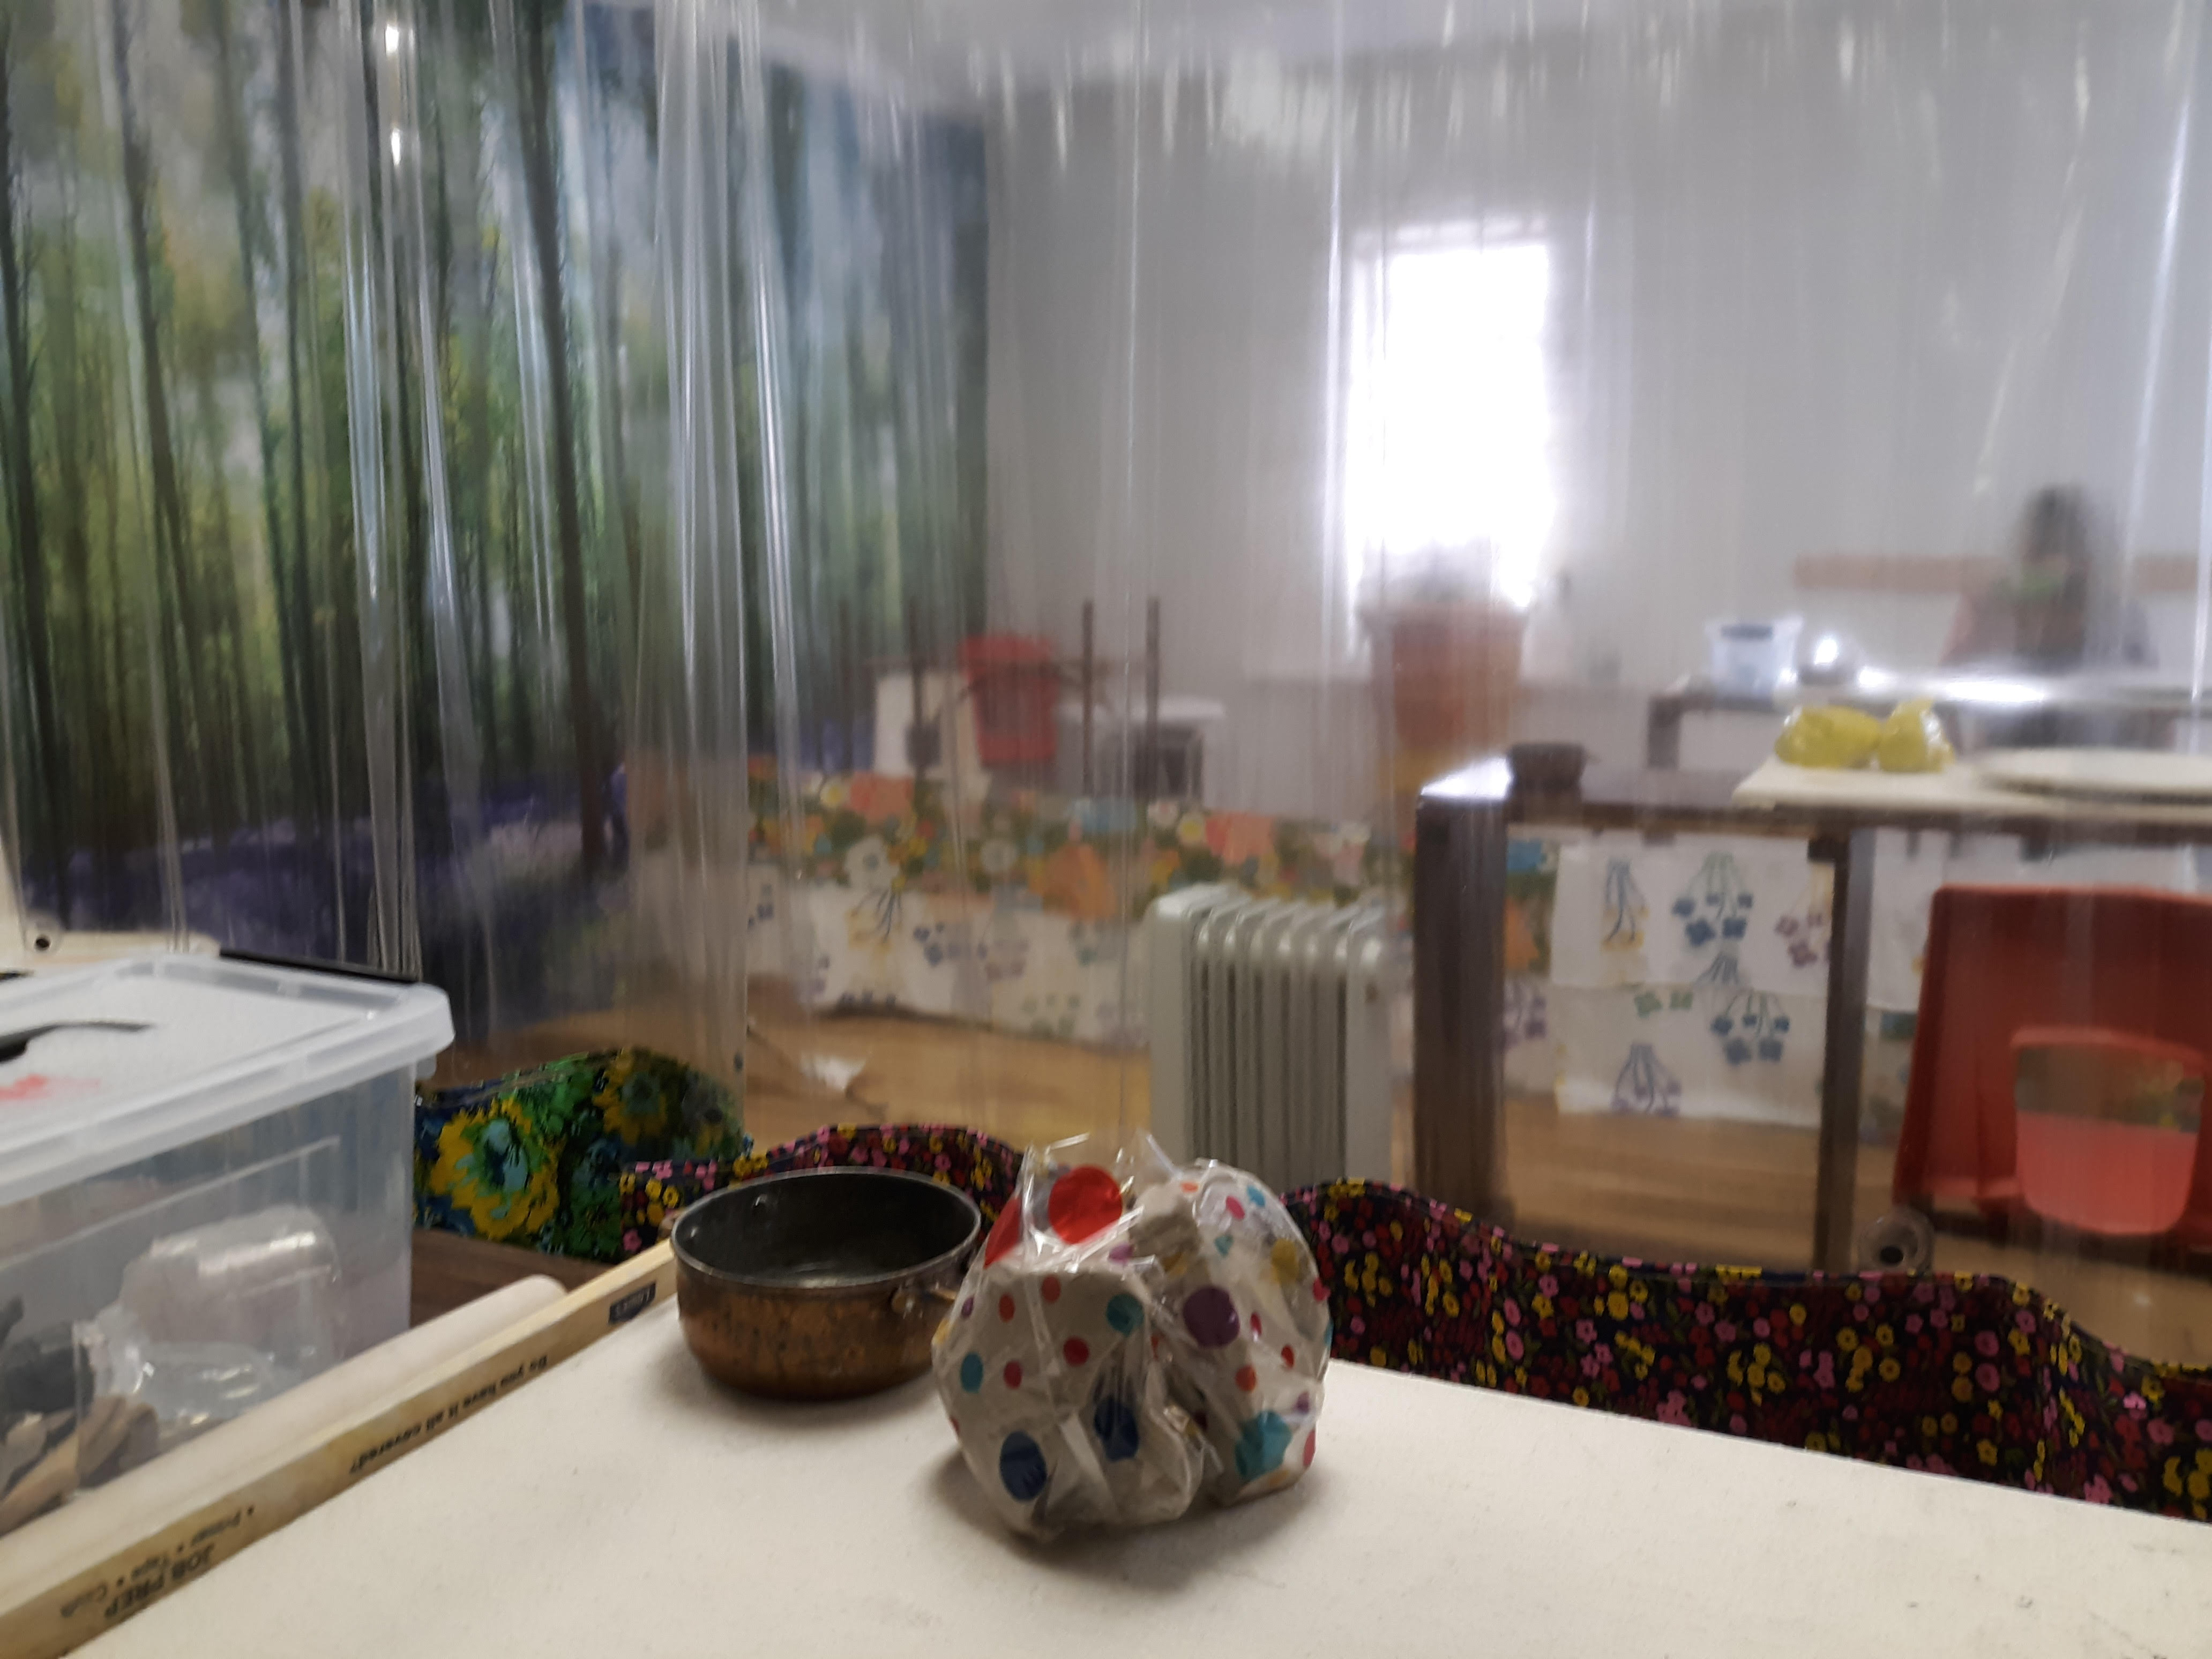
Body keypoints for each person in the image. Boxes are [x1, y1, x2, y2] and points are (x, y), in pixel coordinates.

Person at [1940, 487, 2153, 672]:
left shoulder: (2114, 616)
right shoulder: (1990, 609)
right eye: (2041, 551)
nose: (2056, 566)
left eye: (2066, 550)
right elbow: (1948, 686)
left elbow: (2144, 694)